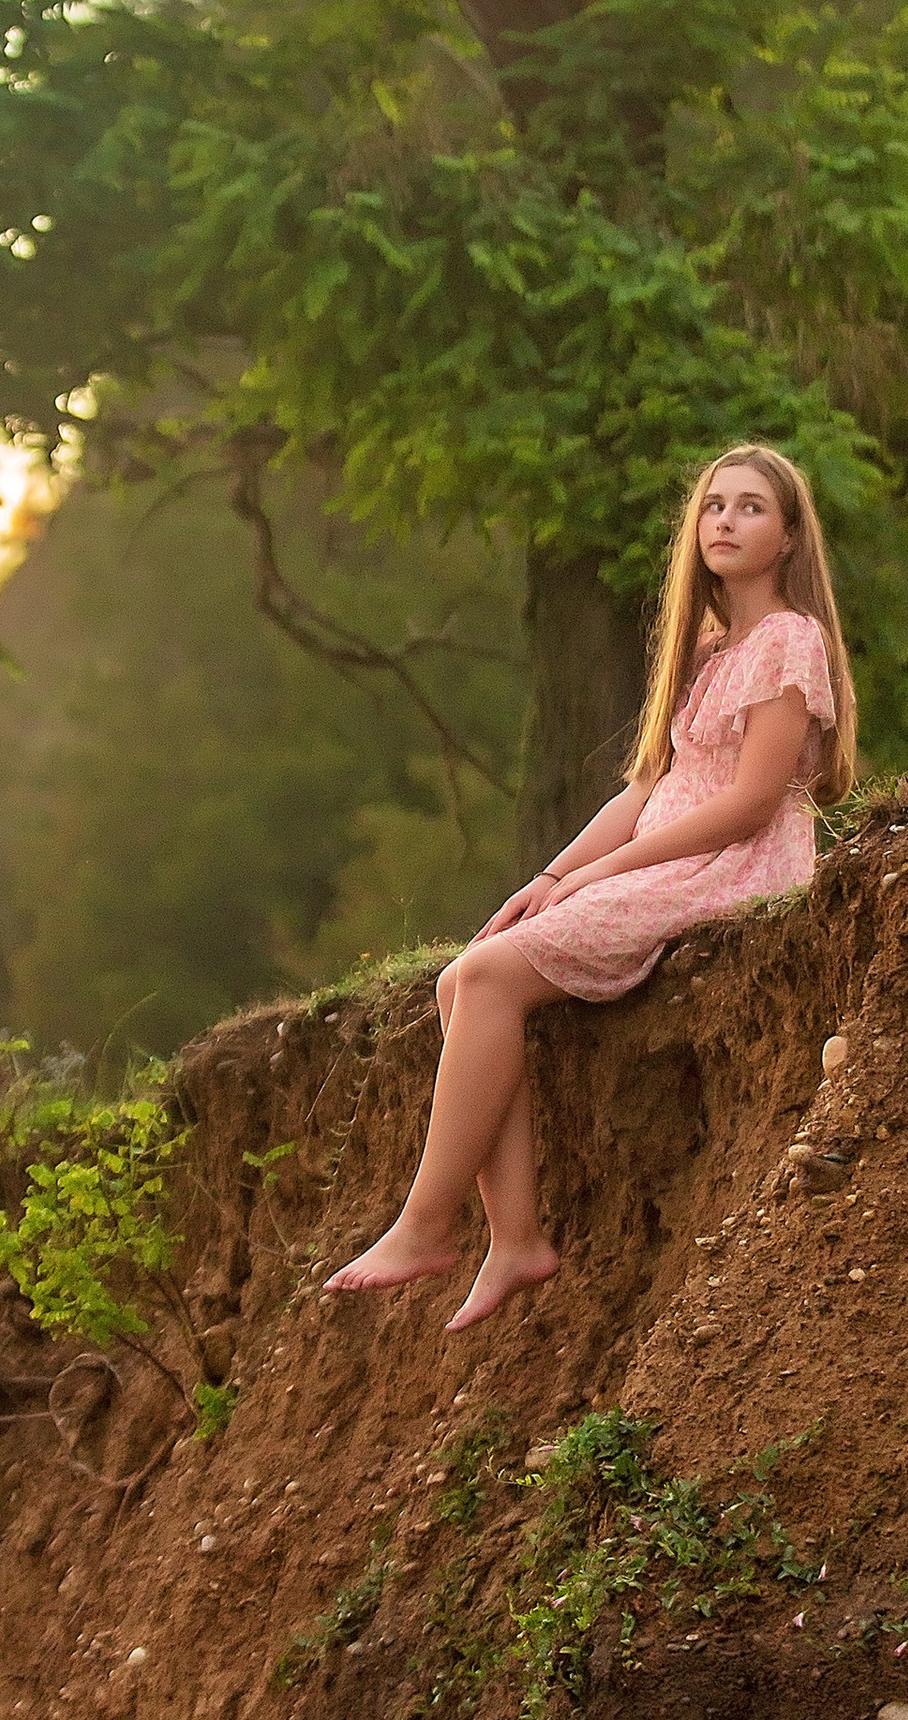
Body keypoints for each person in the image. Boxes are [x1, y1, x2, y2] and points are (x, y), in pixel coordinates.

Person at [324, 442, 858, 1333]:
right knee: (467, 975)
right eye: (713, 505)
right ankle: (515, 1239)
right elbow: (649, 788)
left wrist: (610, 872)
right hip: (664, 853)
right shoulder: (707, 644)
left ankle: (424, 1224)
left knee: (488, 978)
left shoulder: (789, 642)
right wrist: (556, 875)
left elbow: (751, 802)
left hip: (732, 864)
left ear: (792, 537)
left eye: (751, 507)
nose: (723, 520)